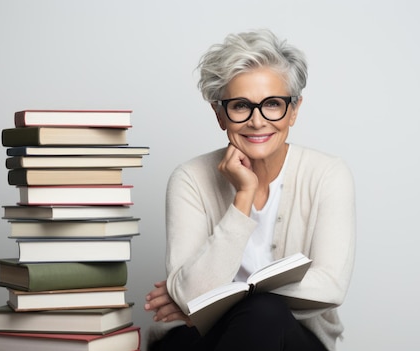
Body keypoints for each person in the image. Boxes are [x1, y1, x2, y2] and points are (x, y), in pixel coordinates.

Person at [144, 29, 355, 351]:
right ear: (219, 115)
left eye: (272, 104)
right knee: (260, 312)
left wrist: (220, 299)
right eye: (241, 106)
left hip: (294, 338)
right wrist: (242, 198)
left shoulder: (328, 174)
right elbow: (189, 298)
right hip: (198, 340)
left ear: (294, 110)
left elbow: (330, 287)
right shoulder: (190, 178)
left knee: (265, 312)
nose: (257, 122)